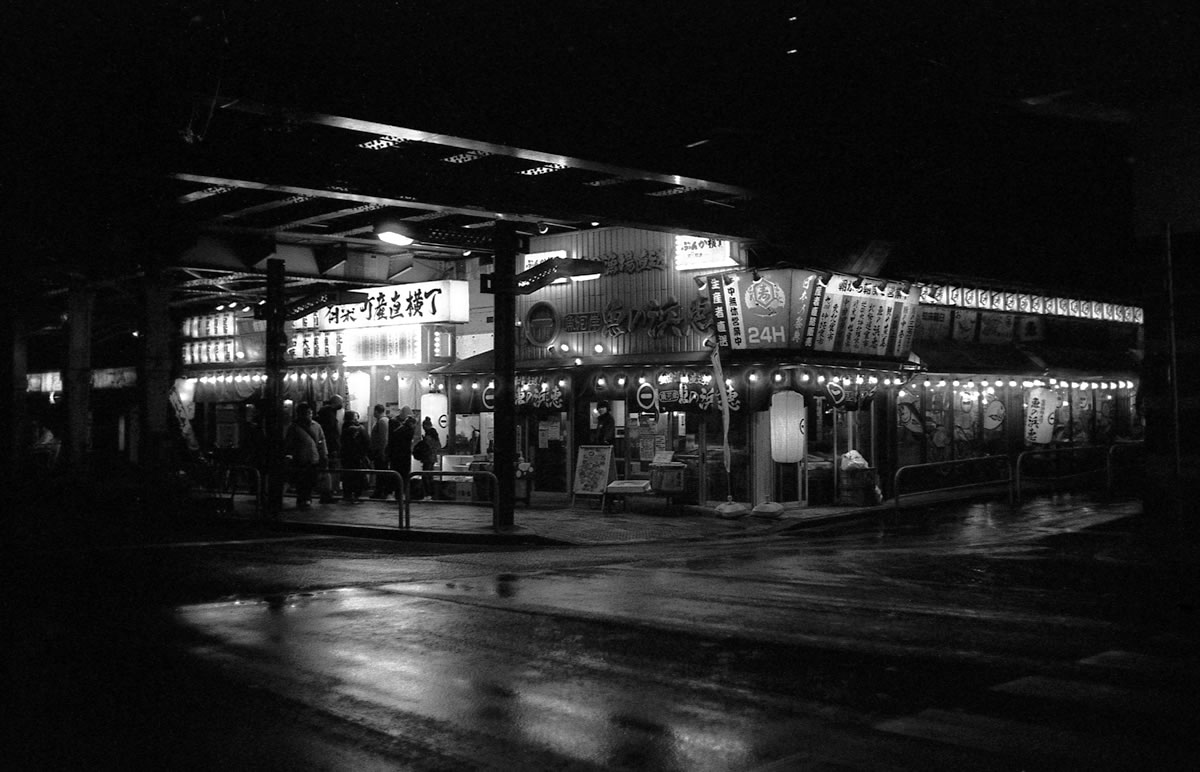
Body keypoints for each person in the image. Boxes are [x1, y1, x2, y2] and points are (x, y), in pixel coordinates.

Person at [283, 402, 327, 510]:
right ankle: (303, 498)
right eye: (307, 413)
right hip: (300, 458)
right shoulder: (294, 427)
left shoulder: (316, 426)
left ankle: (307, 497)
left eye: (310, 413)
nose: (309, 415)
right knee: (302, 480)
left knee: (311, 479)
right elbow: (289, 443)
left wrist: (324, 454)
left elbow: (322, 441)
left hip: (313, 458)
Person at [315, 394, 343, 503]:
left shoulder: (327, 413)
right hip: (330, 447)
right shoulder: (329, 414)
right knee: (329, 470)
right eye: (340, 402)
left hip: (330, 446)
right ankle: (327, 493)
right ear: (335, 402)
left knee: (328, 471)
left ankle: (328, 493)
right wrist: (335, 446)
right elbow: (331, 432)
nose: (342, 405)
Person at [339, 410, 370, 504]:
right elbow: (367, 442)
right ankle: (357, 495)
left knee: (347, 477)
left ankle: (347, 495)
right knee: (358, 476)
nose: (357, 419)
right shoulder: (360, 429)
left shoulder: (344, 429)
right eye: (356, 417)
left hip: (347, 457)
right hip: (358, 457)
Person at [387, 406, 416, 502]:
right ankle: (398, 493)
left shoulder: (397, 424)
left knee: (399, 474)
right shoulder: (396, 424)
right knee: (400, 475)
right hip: (401, 455)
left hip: (398, 454)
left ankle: (398, 493)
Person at [415, 417, 442, 500]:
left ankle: (428, 494)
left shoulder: (430, 433)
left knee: (426, 476)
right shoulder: (433, 433)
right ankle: (430, 494)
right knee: (429, 476)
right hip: (431, 457)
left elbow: (429, 445)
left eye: (423, 426)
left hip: (428, 457)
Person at [368, 403, 390, 498]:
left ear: (377, 411)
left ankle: (380, 491)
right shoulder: (383, 421)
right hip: (380, 451)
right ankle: (381, 490)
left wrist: (382, 451)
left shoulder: (382, 422)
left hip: (380, 451)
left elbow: (383, 438)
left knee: (381, 472)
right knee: (381, 472)